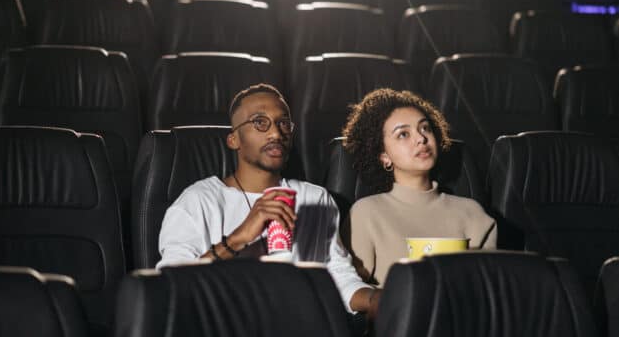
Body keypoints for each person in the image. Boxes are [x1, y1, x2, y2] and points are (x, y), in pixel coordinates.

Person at [157, 83, 380, 317]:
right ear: (234, 140)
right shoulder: (198, 201)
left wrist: (380, 299)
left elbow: (338, 276)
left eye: (283, 123)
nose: (276, 133)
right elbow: (170, 289)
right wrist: (237, 239)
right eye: (260, 122)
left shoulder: (314, 198)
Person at [342, 88, 497, 287]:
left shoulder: (473, 213)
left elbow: (488, 287)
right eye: (403, 134)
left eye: (425, 128)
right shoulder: (366, 213)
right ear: (384, 156)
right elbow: (351, 288)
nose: (421, 139)